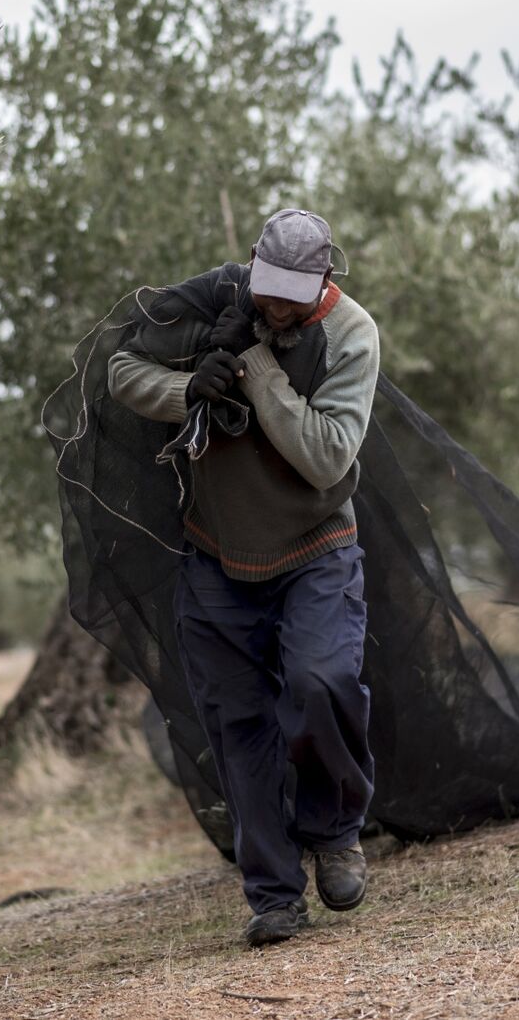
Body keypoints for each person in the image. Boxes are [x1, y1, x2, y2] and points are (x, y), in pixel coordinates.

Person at [108, 209, 379, 947]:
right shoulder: (220, 297)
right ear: (253, 265)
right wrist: (192, 389)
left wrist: (257, 375)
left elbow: (326, 458)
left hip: (316, 546)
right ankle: (273, 895)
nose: (275, 304)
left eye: (292, 292)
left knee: (322, 684)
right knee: (238, 727)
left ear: (325, 279)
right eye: (267, 286)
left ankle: (334, 831)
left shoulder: (352, 335)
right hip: (216, 558)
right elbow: (122, 370)